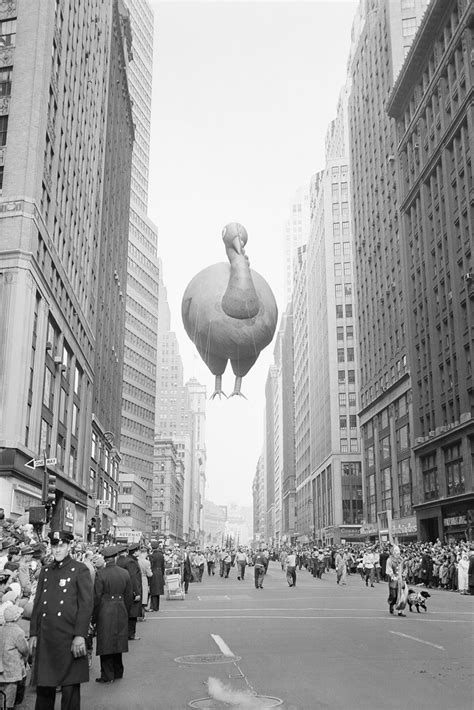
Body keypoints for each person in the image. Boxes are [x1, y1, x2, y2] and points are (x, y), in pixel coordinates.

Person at [29, 530, 93, 710]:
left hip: (69, 638)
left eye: (61, 546)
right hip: (47, 638)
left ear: (69, 546)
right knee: (44, 688)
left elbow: (86, 605)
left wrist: (80, 635)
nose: (57, 550)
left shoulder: (79, 570)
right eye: (54, 546)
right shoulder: (46, 571)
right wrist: (33, 632)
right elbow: (38, 603)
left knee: (70, 690)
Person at [93, 545, 132, 684]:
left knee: (105, 642)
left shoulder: (101, 574)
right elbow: (128, 596)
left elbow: (96, 597)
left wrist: (94, 616)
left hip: (105, 608)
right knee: (118, 640)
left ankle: (107, 674)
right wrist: (125, 610)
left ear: (104, 559)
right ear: (115, 558)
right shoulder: (124, 573)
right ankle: (118, 671)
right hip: (120, 607)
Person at [0, 604, 29, 710]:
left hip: (2, 666)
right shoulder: (18, 632)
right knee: (10, 699)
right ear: (16, 617)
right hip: (12, 668)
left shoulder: (1, 629)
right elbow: (24, 649)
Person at [116, 543, 142, 641]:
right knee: (132, 613)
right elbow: (133, 578)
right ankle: (131, 634)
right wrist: (136, 592)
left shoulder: (118, 561)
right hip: (130, 591)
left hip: (121, 590)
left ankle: (123, 633)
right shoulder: (131, 562)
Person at [149, 541, 165, 611]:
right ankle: (157, 607)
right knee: (157, 591)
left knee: (153, 591)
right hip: (160, 572)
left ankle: (153, 606)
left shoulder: (152, 555)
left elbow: (151, 565)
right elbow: (163, 565)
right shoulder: (161, 555)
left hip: (153, 572)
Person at [137, 547, 152, 619]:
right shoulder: (147, 562)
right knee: (144, 596)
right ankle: (142, 614)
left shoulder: (136, 561)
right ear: (145, 553)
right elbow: (149, 574)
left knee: (138, 595)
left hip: (137, 579)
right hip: (144, 579)